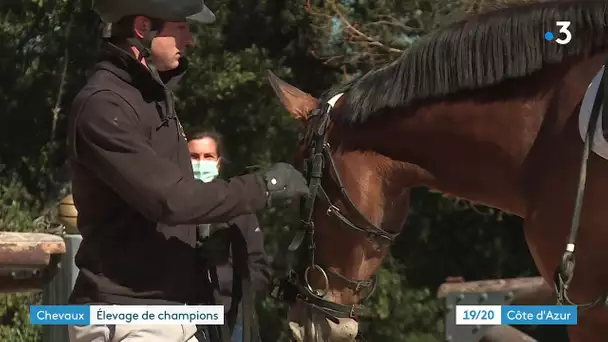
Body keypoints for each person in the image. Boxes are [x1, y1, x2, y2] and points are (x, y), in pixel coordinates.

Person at [65, 1, 309, 341]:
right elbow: (171, 199)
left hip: (177, 314)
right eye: (182, 27)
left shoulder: (151, 100)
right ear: (141, 28)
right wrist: (262, 187)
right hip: (127, 318)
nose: (190, 39)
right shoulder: (104, 105)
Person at [187, 130, 271, 342]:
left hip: (231, 318)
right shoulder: (168, 209)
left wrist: (231, 287)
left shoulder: (239, 209)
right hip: (181, 318)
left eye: (208, 157)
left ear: (218, 162)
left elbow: (259, 268)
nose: (200, 163)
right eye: (194, 156)